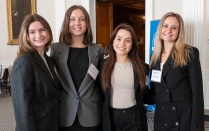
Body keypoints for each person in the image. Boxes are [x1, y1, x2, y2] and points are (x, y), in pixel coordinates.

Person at [50, 5, 104, 131]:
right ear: (67, 23)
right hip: (65, 111)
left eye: (82, 19)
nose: (77, 23)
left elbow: (100, 81)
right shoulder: (55, 49)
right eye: (73, 19)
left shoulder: (98, 50)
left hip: (91, 112)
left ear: (87, 23)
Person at [149, 12, 204, 131]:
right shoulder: (154, 57)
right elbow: (154, 93)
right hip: (161, 117)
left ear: (179, 32)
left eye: (174, 28)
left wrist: (197, 126)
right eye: (165, 26)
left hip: (183, 116)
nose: (168, 30)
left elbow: (197, 94)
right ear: (160, 28)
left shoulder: (189, 53)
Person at [10, 14, 61, 131]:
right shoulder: (24, 62)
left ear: (48, 32)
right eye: (32, 32)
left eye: (42, 30)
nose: (38, 35)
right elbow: (22, 108)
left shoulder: (49, 60)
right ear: (27, 36)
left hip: (51, 124)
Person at [101, 23, 149, 131]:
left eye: (128, 40)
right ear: (113, 41)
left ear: (132, 45)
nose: (122, 43)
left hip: (134, 117)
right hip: (110, 117)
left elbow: (147, 93)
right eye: (119, 39)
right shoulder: (102, 66)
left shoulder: (141, 67)